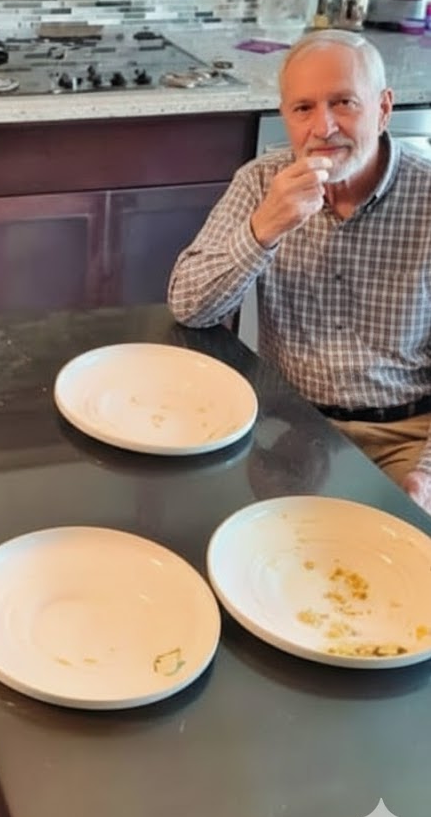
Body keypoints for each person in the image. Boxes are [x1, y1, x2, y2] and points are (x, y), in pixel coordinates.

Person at [168, 29, 431, 513]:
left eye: (344, 102)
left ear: (384, 107)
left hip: (406, 434)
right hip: (288, 422)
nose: (323, 127)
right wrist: (264, 229)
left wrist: (426, 478)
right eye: (303, 108)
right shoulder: (262, 183)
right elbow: (188, 305)